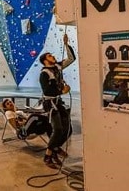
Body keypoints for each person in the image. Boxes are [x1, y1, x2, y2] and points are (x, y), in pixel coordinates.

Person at [38, 33, 76, 168]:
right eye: (49, 56)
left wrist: (66, 44)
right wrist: (62, 91)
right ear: (44, 61)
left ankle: (55, 148)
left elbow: (72, 58)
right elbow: (47, 91)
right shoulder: (44, 74)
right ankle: (48, 155)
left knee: (68, 129)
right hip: (50, 104)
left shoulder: (58, 67)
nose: (53, 56)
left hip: (58, 102)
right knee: (58, 129)